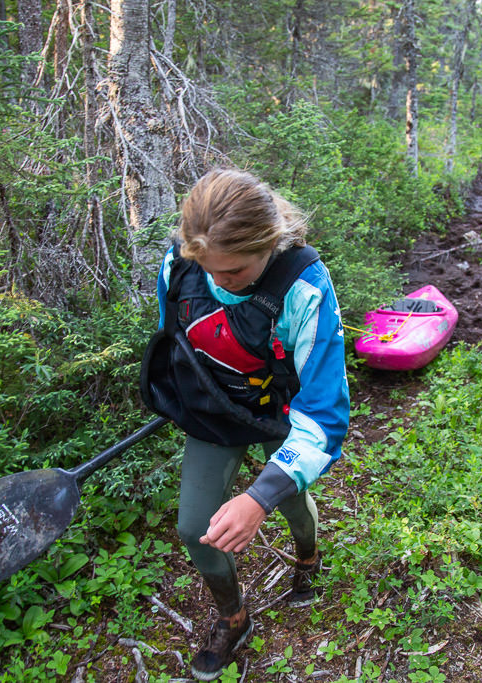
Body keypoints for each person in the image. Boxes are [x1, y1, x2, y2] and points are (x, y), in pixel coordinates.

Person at [148, 168, 350, 681]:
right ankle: (232, 617)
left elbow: (324, 417)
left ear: (268, 244)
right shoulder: (181, 260)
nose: (218, 282)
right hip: (214, 414)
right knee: (196, 529)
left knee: (287, 499)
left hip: (281, 416)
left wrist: (257, 497)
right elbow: (175, 335)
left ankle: (307, 556)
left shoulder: (303, 287)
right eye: (208, 270)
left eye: (233, 272)